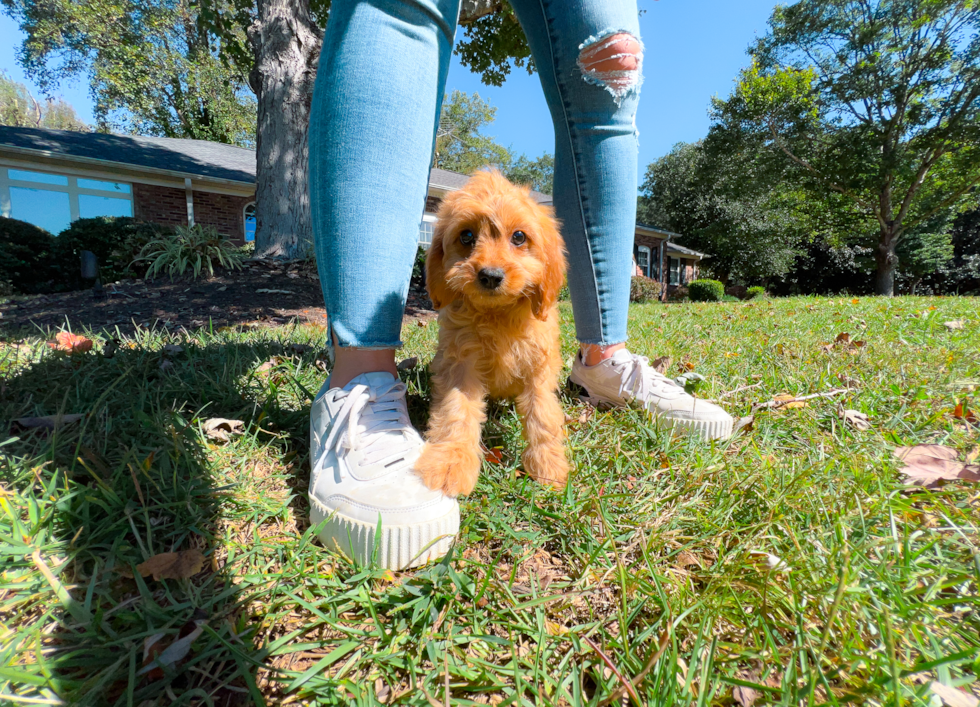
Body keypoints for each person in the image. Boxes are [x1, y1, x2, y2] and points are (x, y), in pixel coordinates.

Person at [306, 0, 734, 569]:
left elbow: (538, 386)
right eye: (467, 241)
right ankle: (361, 381)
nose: (489, 262)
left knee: (612, 61)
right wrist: (456, 442)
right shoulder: (459, 308)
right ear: (439, 257)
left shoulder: (540, 297)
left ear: (548, 265)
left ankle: (603, 357)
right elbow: (458, 377)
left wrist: (545, 445)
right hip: (463, 375)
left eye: (516, 240)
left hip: (532, 369)